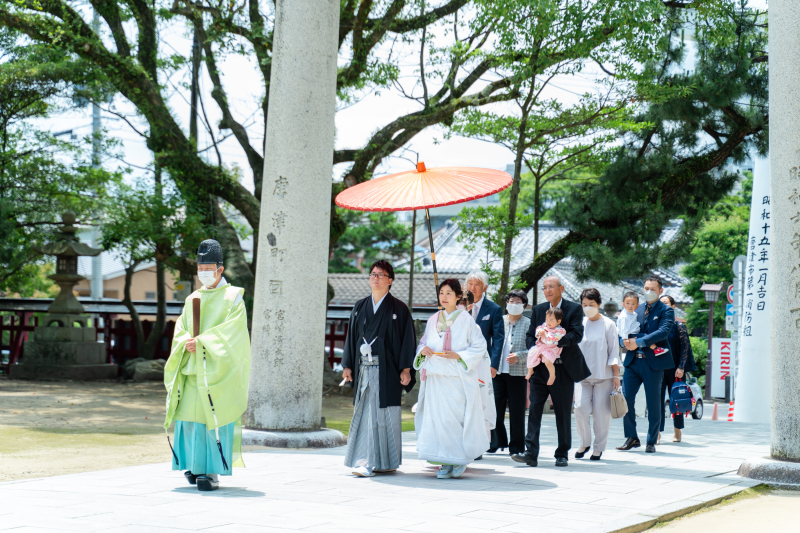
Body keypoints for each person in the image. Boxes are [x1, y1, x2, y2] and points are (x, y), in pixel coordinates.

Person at [163, 239, 251, 491]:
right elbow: (181, 328)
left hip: (217, 370)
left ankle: (211, 471)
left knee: (211, 417)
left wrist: (202, 343)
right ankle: (192, 465)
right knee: (189, 417)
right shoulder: (193, 298)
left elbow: (232, 334)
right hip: (192, 368)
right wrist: (185, 343)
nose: (203, 272)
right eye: (200, 267)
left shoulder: (234, 297)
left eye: (208, 267)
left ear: (220, 269)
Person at [341, 260, 417, 477]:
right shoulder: (359, 306)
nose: (375, 278)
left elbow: (407, 341)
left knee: (384, 415)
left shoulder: (399, 308)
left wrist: (406, 369)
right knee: (365, 415)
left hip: (388, 372)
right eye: (372, 274)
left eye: (380, 275)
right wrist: (347, 364)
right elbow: (351, 338)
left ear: (390, 280)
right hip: (364, 369)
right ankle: (365, 460)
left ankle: (385, 461)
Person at [414, 278, 490, 479]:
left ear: (458, 296)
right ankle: (444, 461)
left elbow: (479, 346)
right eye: (441, 293)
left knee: (453, 420)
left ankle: (458, 458)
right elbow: (422, 344)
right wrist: (424, 350)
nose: (444, 297)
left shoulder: (466, 320)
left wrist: (458, 355)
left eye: (449, 293)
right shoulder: (432, 320)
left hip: (456, 378)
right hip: (435, 377)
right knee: (436, 420)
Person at [512, 276, 590, 468]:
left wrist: (552, 342)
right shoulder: (538, 309)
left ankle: (562, 453)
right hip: (540, 367)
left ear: (561, 288)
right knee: (534, 409)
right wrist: (538, 348)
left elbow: (576, 334)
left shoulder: (574, 308)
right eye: (545, 287)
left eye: (552, 287)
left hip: (563, 368)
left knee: (562, 412)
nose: (548, 290)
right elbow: (531, 335)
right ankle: (531, 453)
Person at [616, 275, 675, 454]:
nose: (649, 292)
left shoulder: (666, 311)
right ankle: (632, 437)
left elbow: (662, 332)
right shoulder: (636, 309)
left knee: (653, 402)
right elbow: (622, 330)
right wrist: (622, 341)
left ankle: (651, 440)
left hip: (653, 364)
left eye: (653, 289)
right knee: (626, 398)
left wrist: (638, 341)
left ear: (660, 291)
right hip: (633, 362)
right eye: (646, 288)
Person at [573, 289, 620, 461]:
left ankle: (598, 447)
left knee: (601, 414)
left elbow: (614, 352)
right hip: (581, 375)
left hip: (604, 376)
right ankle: (584, 442)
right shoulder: (579, 323)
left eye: (591, 305)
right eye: (584, 305)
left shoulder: (609, 324)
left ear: (599, 305)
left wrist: (616, 376)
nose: (587, 308)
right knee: (579, 408)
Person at [464, 271, 505, 456]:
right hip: (461, 363)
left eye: (477, 284)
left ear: (485, 288)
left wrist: (494, 365)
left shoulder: (494, 309)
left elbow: (498, 339)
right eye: (470, 283)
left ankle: (480, 445)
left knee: (481, 405)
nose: (472, 287)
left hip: (482, 364)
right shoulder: (460, 307)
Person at [490, 289, 531, 455]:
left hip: (518, 374)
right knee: (494, 410)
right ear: (506, 304)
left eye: (518, 302)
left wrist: (520, 356)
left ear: (524, 305)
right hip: (497, 372)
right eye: (511, 301)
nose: (514, 304)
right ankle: (497, 441)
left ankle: (517, 446)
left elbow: (536, 349)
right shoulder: (499, 321)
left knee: (517, 412)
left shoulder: (529, 323)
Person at [659, 294, 696, 443]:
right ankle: (657, 433)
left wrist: (681, 367)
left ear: (673, 307)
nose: (664, 306)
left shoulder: (678, 326)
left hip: (676, 370)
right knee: (657, 402)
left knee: (677, 401)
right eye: (661, 304)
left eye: (667, 303)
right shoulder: (656, 327)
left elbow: (685, 348)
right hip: (659, 370)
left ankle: (677, 431)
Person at [526, 308, 566, 384]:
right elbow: (538, 328)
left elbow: (555, 339)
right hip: (541, 346)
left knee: (548, 361)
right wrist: (539, 333)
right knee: (531, 353)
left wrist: (545, 335)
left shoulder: (560, 330)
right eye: (547, 319)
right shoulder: (544, 325)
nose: (548, 322)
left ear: (558, 321)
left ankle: (552, 375)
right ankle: (530, 370)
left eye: (551, 320)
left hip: (551, 348)